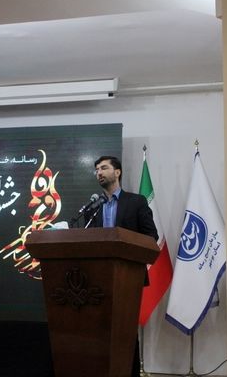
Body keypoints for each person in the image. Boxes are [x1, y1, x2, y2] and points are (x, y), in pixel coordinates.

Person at [85, 155, 158, 377]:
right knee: (99, 330)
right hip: (98, 279)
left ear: (117, 172)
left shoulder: (136, 202)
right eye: (96, 169)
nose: (99, 172)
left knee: (124, 330)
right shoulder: (93, 207)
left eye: (104, 168)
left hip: (128, 277)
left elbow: (151, 236)